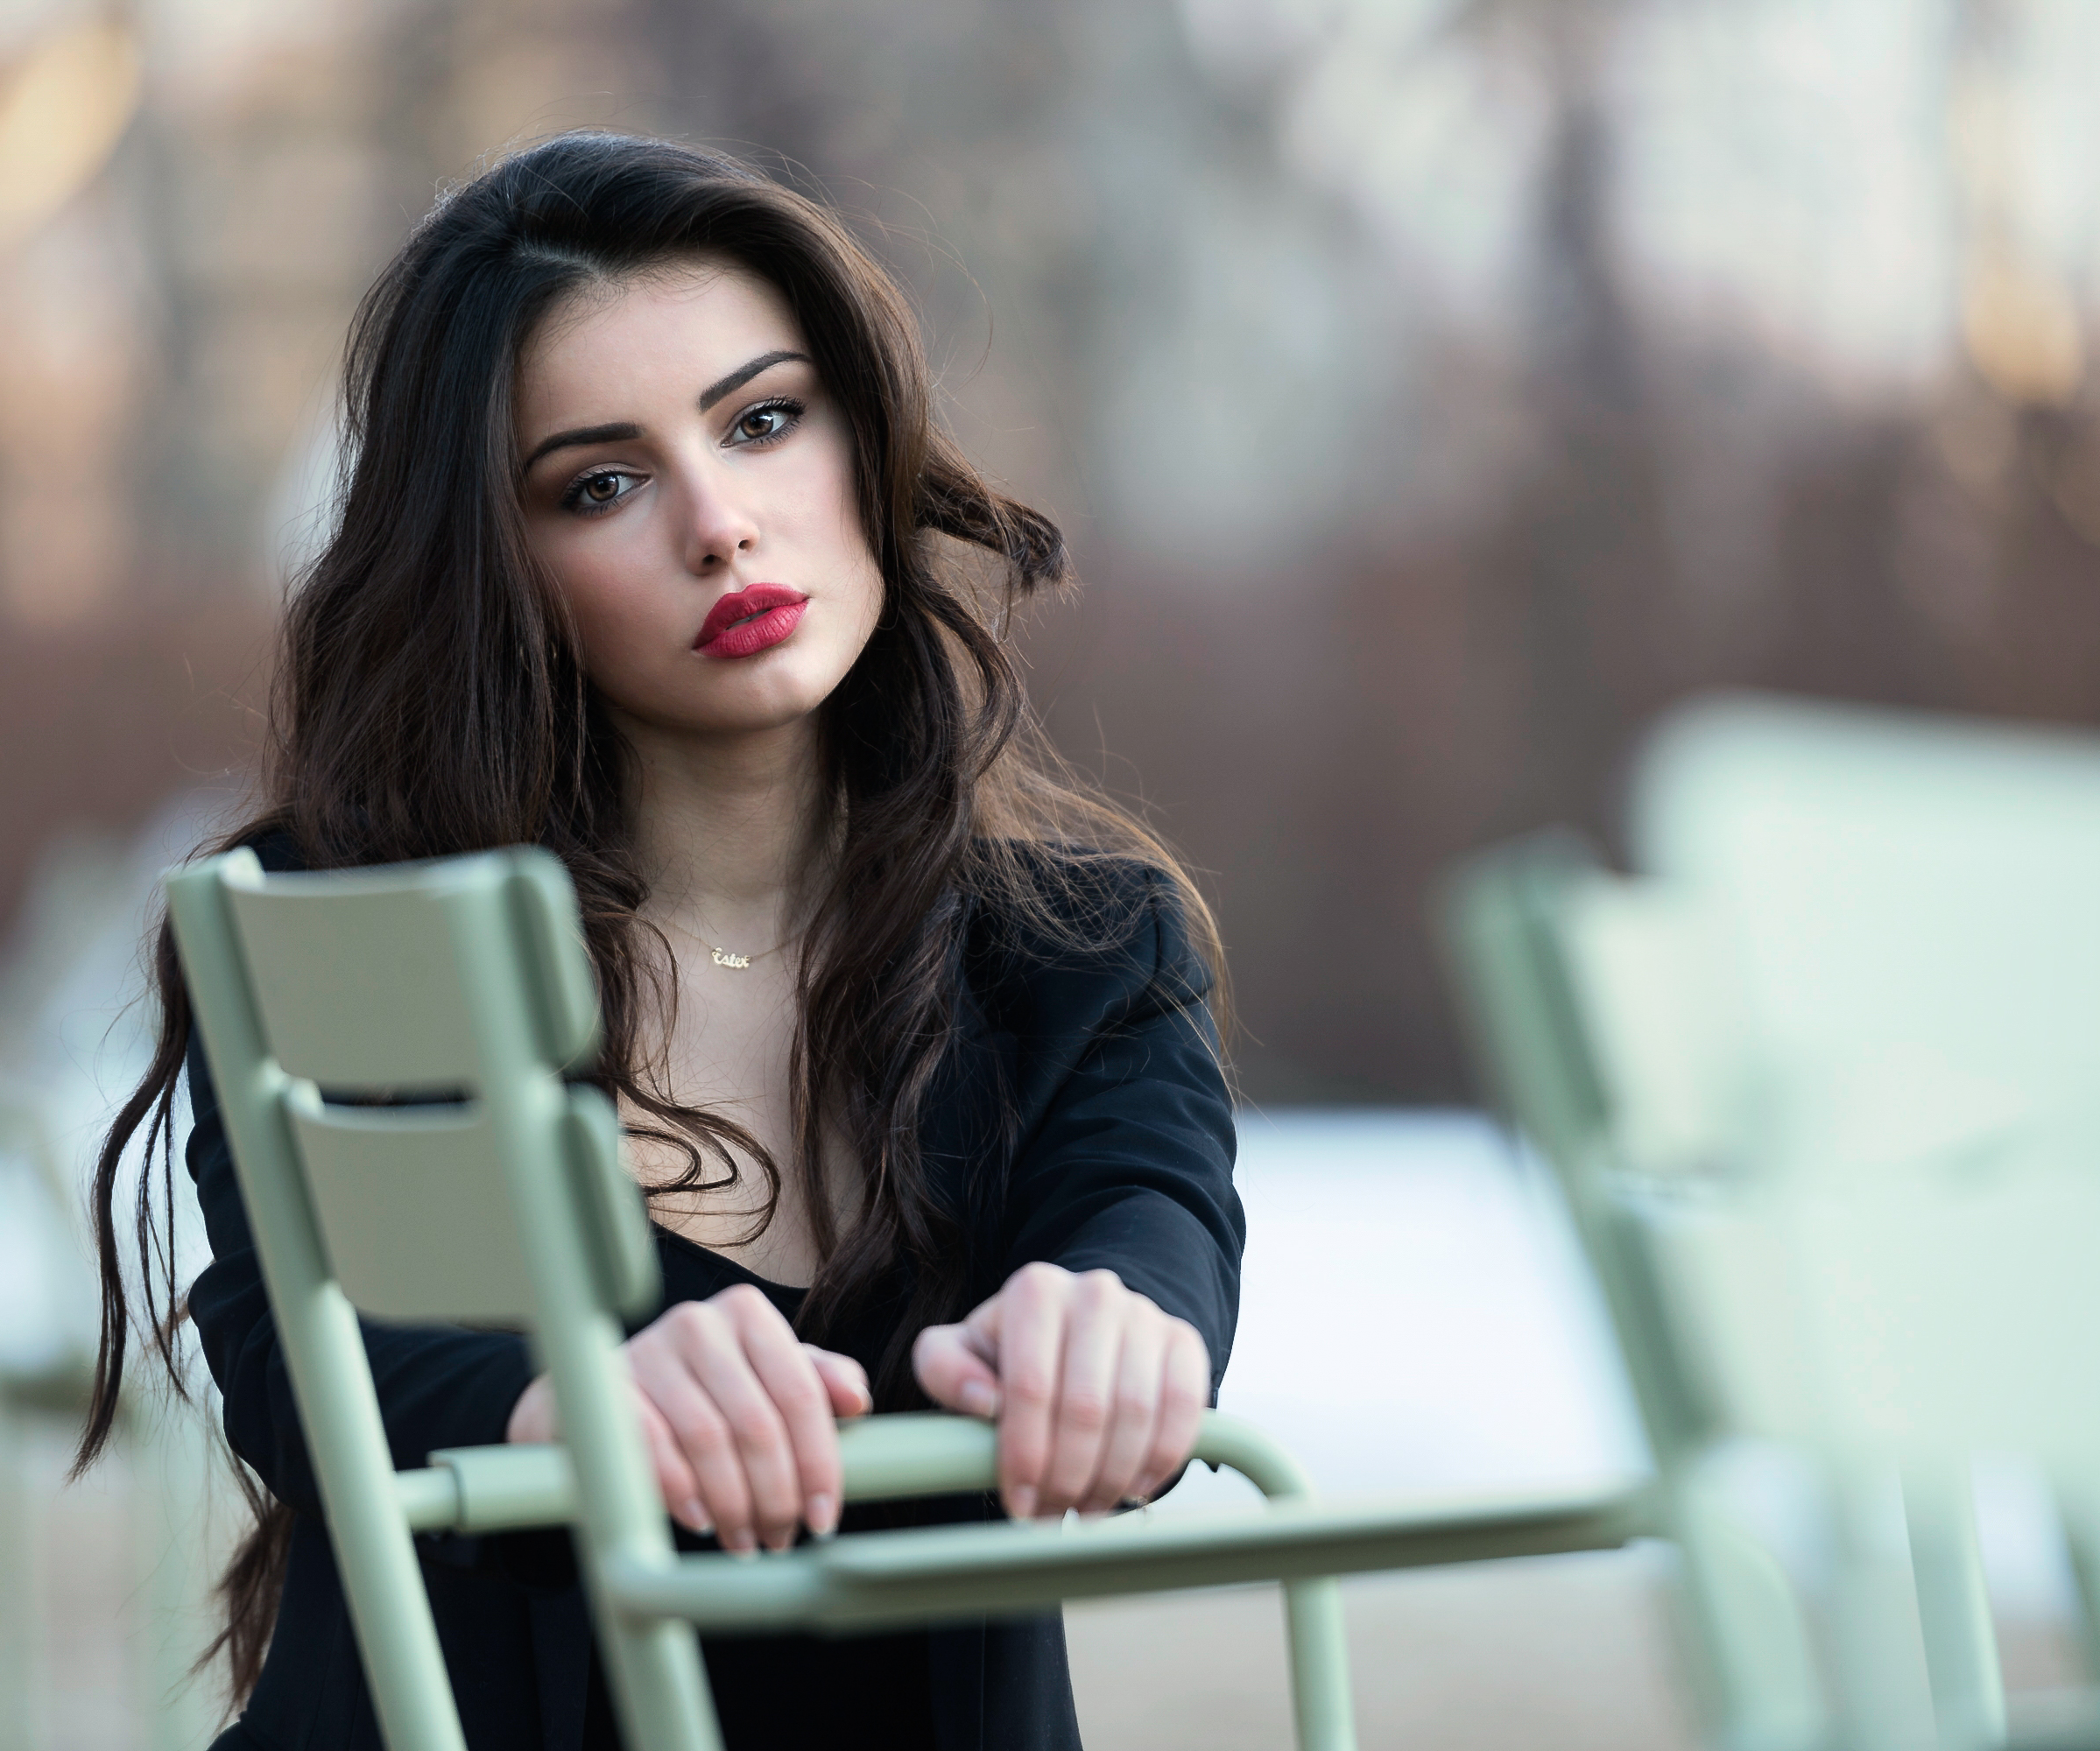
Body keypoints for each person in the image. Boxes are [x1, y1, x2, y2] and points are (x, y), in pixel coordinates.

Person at [74, 131, 1241, 1751]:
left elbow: (1151, 1206)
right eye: (601, 483)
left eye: (764, 421)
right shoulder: (344, 927)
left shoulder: (1082, 946)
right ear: (495, 563)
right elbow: (310, 1344)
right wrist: (561, 1402)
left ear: (865, 442)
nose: (720, 524)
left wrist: (1119, 1314)